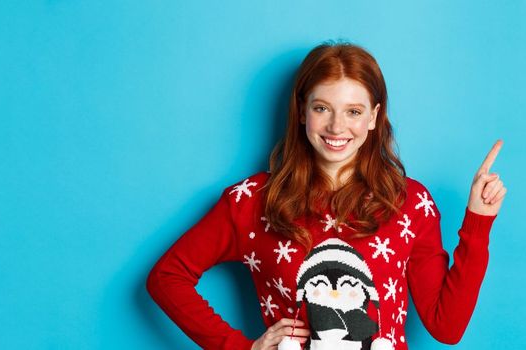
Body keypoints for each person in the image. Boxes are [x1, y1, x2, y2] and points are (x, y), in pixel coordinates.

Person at [146, 41, 506, 350]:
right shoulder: (253, 200)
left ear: (373, 118)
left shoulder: (410, 203)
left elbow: (447, 328)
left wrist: (478, 223)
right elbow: (167, 277)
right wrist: (238, 347)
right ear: (302, 111)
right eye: (322, 108)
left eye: (353, 111)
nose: (337, 127)